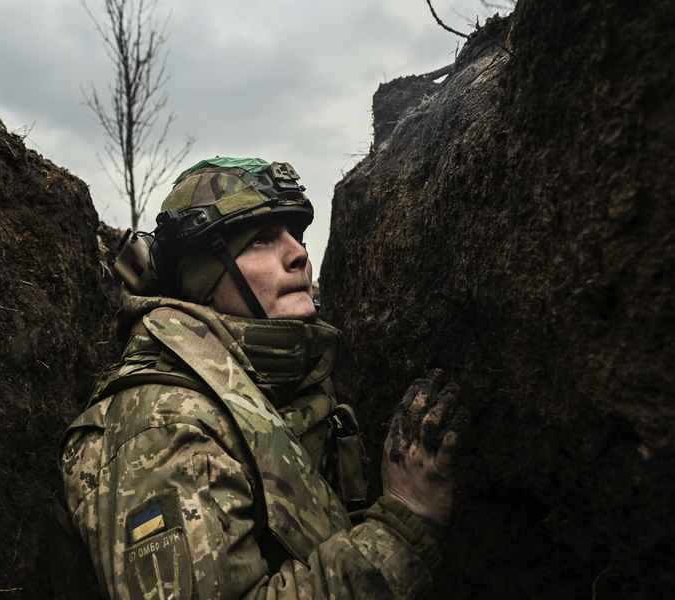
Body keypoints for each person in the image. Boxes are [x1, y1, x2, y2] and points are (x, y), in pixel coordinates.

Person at [59, 157, 465, 599]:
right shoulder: (164, 425)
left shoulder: (280, 383)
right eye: (261, 240)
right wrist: (401, 526)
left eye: (295, 234)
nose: (298, 254)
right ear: (203, 280)